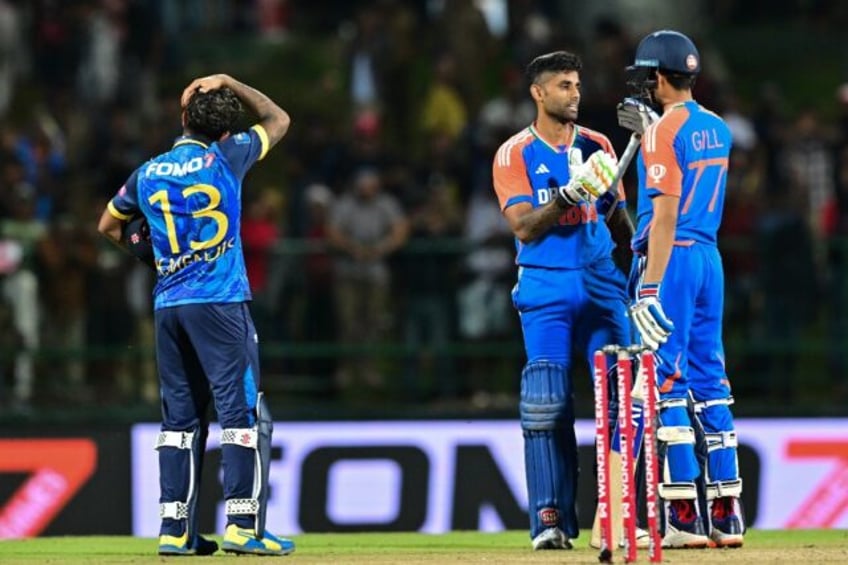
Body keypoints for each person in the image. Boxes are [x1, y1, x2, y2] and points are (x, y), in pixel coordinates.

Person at [97, 74, 293, 556]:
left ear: (182, 119)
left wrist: (155, 257)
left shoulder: (149, 172)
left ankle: (174, 531)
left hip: (169, 306)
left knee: (179, 421)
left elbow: (109, 226)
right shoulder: (230, 156)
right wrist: (229, 81)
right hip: (221, 304)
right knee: (241, 414)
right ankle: (242, 526)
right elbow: (279, 119)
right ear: (226, 130)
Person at [492, 50, 634, 550]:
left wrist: (637, 270)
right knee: (546, 404)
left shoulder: (598, 144)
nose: (575, 94)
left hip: (600, 281)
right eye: (564, 86)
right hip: (547, 284)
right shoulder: (514, 154)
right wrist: (569, 197)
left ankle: (616, 516)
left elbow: (619, 217)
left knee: (623, 400)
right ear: (538, 93)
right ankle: (549, 518)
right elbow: (524, 227)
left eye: (577, 85)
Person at [618, 30, 745, 549]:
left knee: (667, 379)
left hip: (671, 260)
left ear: (656, 77)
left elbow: (666, 215)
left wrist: (649, 288)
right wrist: (658, 132)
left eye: (645, 77)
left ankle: (685, 519)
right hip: (709, 259)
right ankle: (727, 513)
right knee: (711, 378)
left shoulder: (659, 134)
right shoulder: (718, 127)